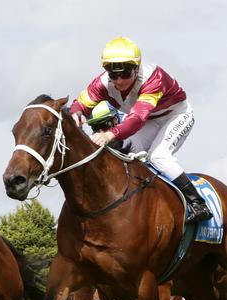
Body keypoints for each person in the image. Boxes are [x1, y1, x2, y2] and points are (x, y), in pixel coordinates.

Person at [70, 36, 212, 223]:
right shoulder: (102, 83)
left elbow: (136, 119)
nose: (119, 81)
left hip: (176, 115)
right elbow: (79, 104)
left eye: (125, 74)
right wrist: (76, 113)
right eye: (113, 75)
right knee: (128, 154)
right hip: (149, 120)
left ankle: (198, 203)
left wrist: (109, 134)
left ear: (137, 68)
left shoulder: (154, 78)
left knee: (158, 156)